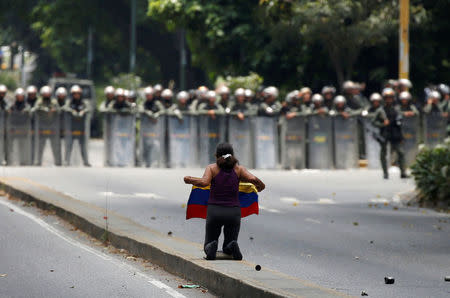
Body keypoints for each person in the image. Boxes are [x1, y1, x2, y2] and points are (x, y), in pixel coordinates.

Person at [183, 143, 265, 260]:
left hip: (215, 211)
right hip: (234, 212)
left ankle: (211, 246)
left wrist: (190, 179)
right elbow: (253, 179)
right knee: (229, 242)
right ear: (232, 155)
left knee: (209, 242)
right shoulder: (239, 169)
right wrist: (261, 185)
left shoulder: (212, 168)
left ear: (216, 156)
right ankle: (231, 245)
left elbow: (204, 182)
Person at [380, 88, 407, 179]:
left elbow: (400, 122)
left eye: (390, 98)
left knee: (401, 152)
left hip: (395, 133)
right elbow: (373, 121)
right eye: (387, 98)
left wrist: (401, 136)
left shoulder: (396, 109)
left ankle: (403, 172)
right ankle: (385, 173)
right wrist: (382, 124)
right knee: (383, 154)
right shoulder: (381, 110)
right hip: (385, 133)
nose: (389, 100)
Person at [62, 85, 91, 166]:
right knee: (69, 145)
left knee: (83, 146)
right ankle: (66, 161)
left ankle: (86, 161)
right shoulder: (69, 102)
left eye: (78, 93)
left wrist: (83, 111)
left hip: (81, 128)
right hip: (71, 127)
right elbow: (65, 108)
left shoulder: (84, 102)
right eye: (74, 94)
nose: (76, 95)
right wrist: (72, 111)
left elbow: (88, 108)